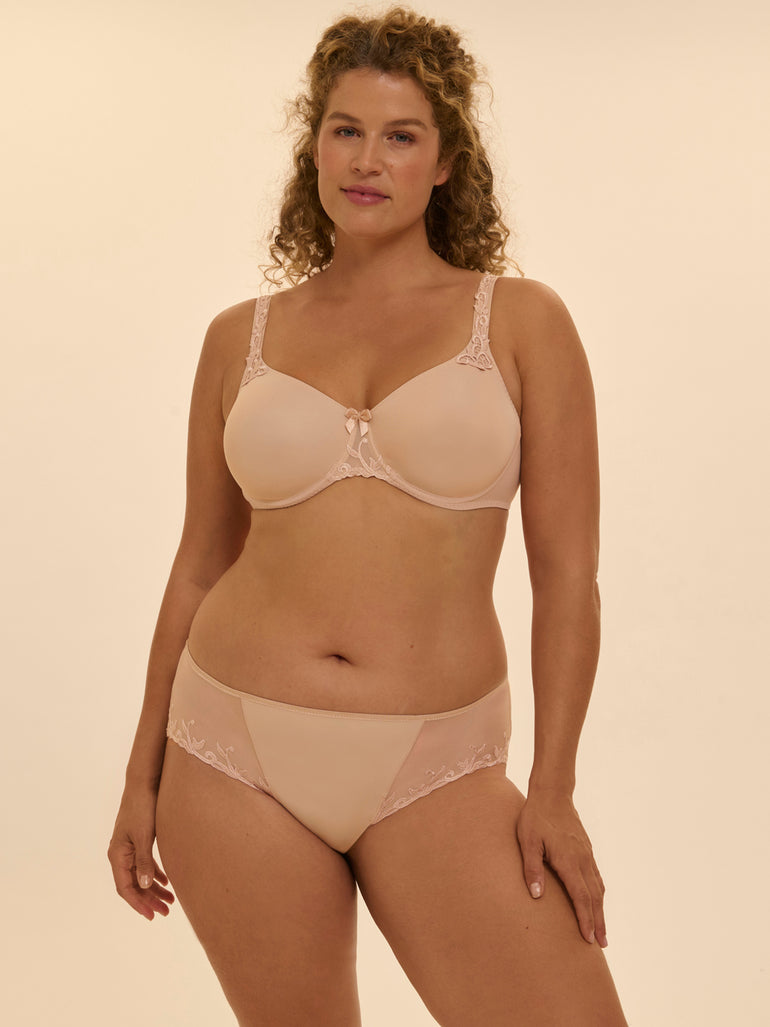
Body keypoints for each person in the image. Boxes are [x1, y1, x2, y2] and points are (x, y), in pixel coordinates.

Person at [108, 7, 627, 1025]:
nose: (367, 159)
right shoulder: (238, 338)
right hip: (227, 748)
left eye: (401, 136)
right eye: (345, 129)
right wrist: (140, 776)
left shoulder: (520, 322)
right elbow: (200, 563)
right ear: (313, 146)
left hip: (437, 761)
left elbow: (568, 575)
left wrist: (554, 787)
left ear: (446, 163)